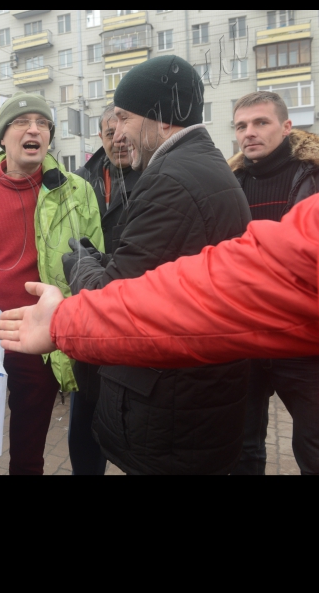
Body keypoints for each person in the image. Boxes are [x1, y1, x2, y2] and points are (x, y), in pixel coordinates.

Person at [0, 150, 319, 475]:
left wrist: (79, 289)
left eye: (125, 118)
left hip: (168, 394)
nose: (118, 134)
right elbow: (205, 294)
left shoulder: (159, 178)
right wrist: (67, 317)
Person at [62, 55, 254, 476]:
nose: (121, 132)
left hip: (174, 410)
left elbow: (112, 301)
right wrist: (104, 260)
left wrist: (79, 263)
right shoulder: (202, 164)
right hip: (192, 399)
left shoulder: (171, 178)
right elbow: (159, 276)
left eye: (125, 118)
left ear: (159, 116)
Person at [0, 92, 104, 476]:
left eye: (43, 123)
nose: (34, 129)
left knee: (29, 454)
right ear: (3, 136)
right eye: (23, 122)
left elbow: (94, 264)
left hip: (37, 339)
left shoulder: (76, 192)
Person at [230, 92, 319, 476]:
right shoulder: (227, 181)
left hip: (305, 338)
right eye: (241, 126)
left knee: (316, 449)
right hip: (245, 335)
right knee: (243, 446)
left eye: (261, 123)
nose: (250, 133)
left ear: (286, 127)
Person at [69, 104, 140, 475]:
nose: (119, 139)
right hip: (90, 310)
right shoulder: (80, 181)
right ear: (100, 137)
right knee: (86, 414)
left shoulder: (155, 174)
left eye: (123, 130)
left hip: (137, 311)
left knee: (136, 418)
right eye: (109, 133)